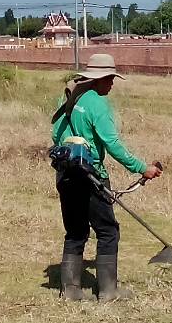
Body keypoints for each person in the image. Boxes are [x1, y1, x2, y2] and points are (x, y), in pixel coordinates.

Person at [50, 51, 161, 304]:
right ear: (98, 79)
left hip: (65, 174)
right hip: (91, 177)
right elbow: (112, 144)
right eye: (109, 78)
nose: (111, 83)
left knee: (76, 231)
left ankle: (70, 291)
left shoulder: (69, 95)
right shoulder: (97, 104)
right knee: (108, 231)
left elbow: (56, 135)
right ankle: (109, 292)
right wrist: (142, 168)